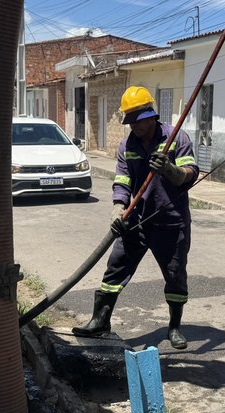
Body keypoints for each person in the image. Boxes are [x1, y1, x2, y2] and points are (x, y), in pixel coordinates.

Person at [72, 86, 199, 350]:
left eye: (139, 121)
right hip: (136, 221)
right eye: (130, 121)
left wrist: (170, 170)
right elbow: (122, 180)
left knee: (175, 275)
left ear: (151, 115)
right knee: (115, 269)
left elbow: (190, 173)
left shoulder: (176, 138)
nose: (135, 127)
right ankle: (100, 320)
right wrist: (118, 208)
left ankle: (174, 327)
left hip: (170, 223)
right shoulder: (126, 144)